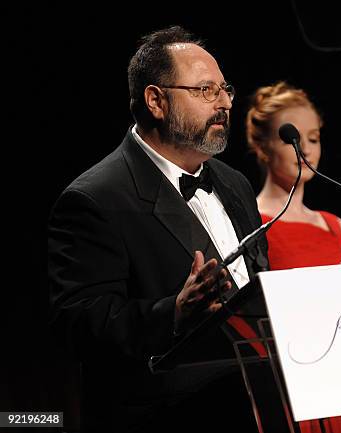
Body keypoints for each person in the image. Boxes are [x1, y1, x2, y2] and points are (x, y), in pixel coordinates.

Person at [48, 26, 268, 432]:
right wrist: (175, 312)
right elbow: (79, 325)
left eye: (225, 89)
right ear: (156, 101)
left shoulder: (234, 182)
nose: (224, 103)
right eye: (205, 90)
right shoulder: (95, 198)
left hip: (255, 408)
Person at [245, 82, 341, 433]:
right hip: (299, 388)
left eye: (313, 138)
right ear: (262, 146)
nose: (304, 149)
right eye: (291, 139)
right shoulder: (251, 225)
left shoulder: (333, 225)